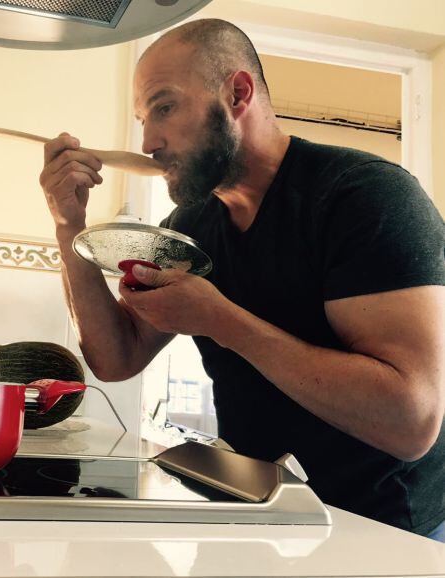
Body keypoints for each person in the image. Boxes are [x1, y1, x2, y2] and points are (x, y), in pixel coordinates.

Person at [39, 19, 445, 540]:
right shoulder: (190, 226)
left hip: (385, 528)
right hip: (258, 508)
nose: (149, 141)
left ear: (237, 94)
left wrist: (219, 319)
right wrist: (68, 224)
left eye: (164, 107)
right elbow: (117, 359)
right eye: (143, 118)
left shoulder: (365, 197)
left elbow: (410, 423)